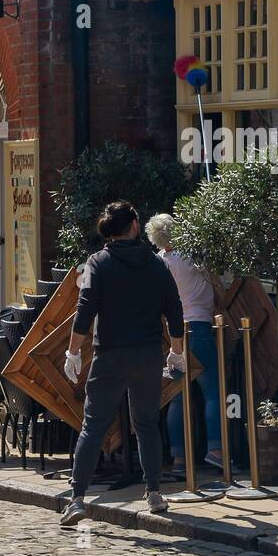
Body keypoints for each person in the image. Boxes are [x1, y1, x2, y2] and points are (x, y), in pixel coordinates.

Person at [60, 201, 185, 528]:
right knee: (146, 424)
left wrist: (73, 352)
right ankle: (154, 492)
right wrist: (177, 351)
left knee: (94, 425)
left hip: (110, 355)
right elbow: (174, 309)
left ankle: (76, 499)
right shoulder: (157, 265)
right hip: (147, 354)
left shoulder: (98, 263)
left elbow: (84, 311)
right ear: (132, 226)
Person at [145, 213, 224, 475]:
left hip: (174, 333)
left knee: (177, 398)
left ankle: (178, 457)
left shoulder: (158, 263)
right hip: (200, 326)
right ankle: (216, 450)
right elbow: (216, 280)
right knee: (212, 392)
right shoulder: (194, 256)